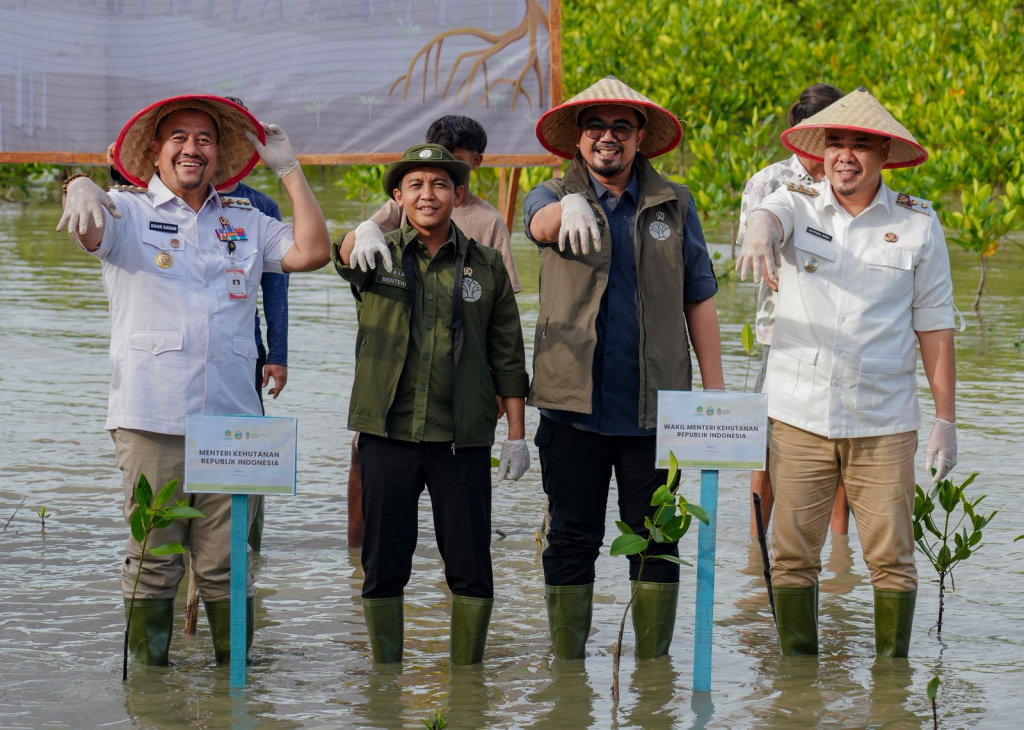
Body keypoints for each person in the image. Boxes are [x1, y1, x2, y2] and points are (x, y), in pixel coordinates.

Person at [57, 95, 330, 666]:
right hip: (151, 419)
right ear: (155, 152)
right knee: (154, 562)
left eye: (203, 138)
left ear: (219, 154)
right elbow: (89, 231)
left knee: (227, 566)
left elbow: (313, 252)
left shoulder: (246, 220)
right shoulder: (126, 213)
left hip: (233, 425)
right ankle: (153, 699)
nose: (191, 148)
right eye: (178, 137)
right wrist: (78, 186)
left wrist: (289, 169)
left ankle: (234, 694)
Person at [736, 87, 957, 658]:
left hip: (883, 421)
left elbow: (934, 328)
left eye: (861, 145)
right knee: (792, 557)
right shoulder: (795, 201)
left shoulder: (918, 223)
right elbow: (770, 214)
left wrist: (945, 421)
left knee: (890, 560)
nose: (845, 156)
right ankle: (798, 689)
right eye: (835, 143)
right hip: (798, 416)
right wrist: (759, 227)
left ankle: (893, 690)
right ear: (822, 150)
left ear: (884, 154)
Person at [523, 75, 724, 661]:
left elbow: (700, 296)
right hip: (572, 407)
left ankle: (653, 679)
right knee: (570, 540)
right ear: (578, 141)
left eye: (620, 127)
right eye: (595, 127)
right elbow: (538, 224)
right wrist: (570, 204)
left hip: (656, 412)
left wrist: (714, 399)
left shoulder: (675, 203)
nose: (607, 137)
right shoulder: (549, 193)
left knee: (657, 542)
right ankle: (569, 678)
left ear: (639, 139)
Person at [332, 143, 530, 665]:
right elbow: (341, 254)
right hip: (387, 433)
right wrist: (364, 231)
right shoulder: (379, 254)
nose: (428, 194)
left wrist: (516, 435)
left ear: (457, 194)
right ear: (398, 197)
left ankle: (469, 687)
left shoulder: (485, 266)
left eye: (440, 184)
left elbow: (508, 356)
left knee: (470, 565)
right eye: (415, 185)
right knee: (383, 565)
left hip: (460, 438)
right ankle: (384, 685)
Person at [736, 83, 850, 539]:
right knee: (764, 449)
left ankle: (839, 559)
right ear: (800, 134)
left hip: (842, 336)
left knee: (841, 444)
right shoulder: (768, 182)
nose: (838, 148)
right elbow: (766, 266)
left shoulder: (851, 178)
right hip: (780, 333)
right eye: (828, 136)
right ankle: (756, 550)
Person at [341, 114, 522, 293]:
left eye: (455, 160)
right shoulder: (407, 204)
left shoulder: (490, 221)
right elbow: (356, 244)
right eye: (438, 158)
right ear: (399, 196)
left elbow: (504, 292)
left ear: (475, 161)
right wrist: (366, 231)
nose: (445, 167)